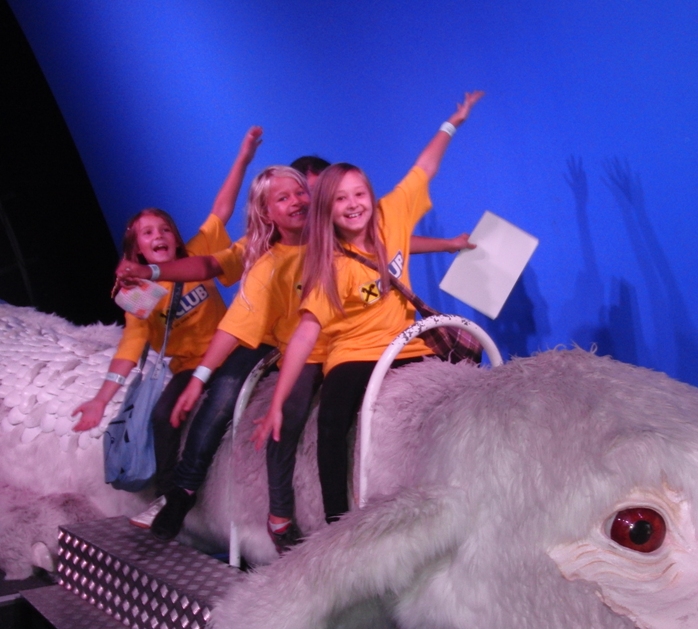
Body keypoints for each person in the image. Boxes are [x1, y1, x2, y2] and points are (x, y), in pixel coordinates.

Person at [122, 163, 473, 548]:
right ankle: (220, 500)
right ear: (266, 212)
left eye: (302, 192)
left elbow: (395, 241)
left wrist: (447, 244)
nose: (296, 201)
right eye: (283, 198)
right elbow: (220, 290)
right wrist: (197, 372)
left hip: (347, 342)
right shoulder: (265, 261)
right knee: (260, 408)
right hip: (295, 347)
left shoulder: (337, 232)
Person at [253, 91, 483, 524]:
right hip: (354, 353)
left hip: (406, 343)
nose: (353, 204)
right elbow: (305, 333)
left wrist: (454, 121)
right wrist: (277, 401)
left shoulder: (390, 215)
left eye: (359, 193)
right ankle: (337, 522)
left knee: (470, 376)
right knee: (331, 422)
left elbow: (425, 167)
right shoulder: (329, 264)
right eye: (340, 199)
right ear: (326, 209)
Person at [73, 127, 263, 513]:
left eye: (164, 229)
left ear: (175, 239)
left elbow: (221, 209)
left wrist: (243, 159)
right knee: (163, 417)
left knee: (225, 405)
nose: (158, 235)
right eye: (148, 233)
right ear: (138, 249)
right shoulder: (139, 295)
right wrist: (100, 400)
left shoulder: (196, 254)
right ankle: (166, 497)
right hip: (188, 367)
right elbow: (130, 348)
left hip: (229, 352)